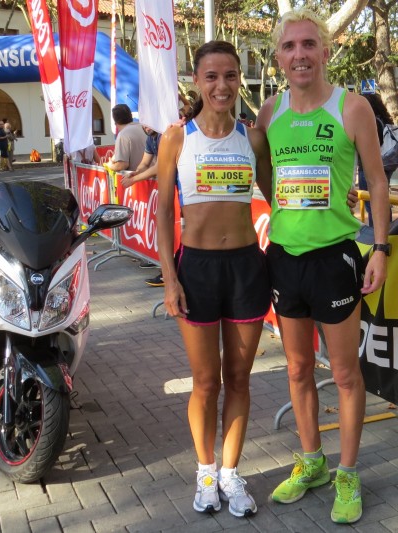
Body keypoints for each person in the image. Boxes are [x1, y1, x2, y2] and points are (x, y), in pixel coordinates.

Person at [255, 8, 390, 525]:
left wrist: (378, 248)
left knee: (346, 374)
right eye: (289, 47)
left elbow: (377, 183)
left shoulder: (351, 107)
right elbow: (268, 177)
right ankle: (312, 460)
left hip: (335, 257)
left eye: (309, 44)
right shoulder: (270, 112)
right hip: (285, 258)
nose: (299, 55)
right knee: (295, 368)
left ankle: (349, 472)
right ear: (279, 57)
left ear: (326, 51)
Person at [157, 40, 273, 518]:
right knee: (205, 382)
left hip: (246, 267)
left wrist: (336, 195)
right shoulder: (176, 138)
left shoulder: (254, 137)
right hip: (197, 270)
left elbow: (279, 193)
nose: (222, 85)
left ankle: (230, 473)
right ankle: (206, 472)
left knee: (239, 379)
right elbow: (163, 212)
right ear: (197, 82)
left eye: (230, 76)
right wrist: (169, 279)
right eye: (212, 77)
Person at [122, 126, 164, 287]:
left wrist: (135, 179)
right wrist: (135, 172)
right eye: (144, 123)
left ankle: (168, 273)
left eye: (149, 123)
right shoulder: (150, 138)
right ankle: (165, 269)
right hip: (167, 188)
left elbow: (160, 165)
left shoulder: (163, 135)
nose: (146, 126)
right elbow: (145, 163)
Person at [357, 93, 393, 226]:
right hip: (384, 165)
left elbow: (367, 147)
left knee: (372, 205)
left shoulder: (372, 123)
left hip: (369, 169)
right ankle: (386, 233)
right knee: (381, 201)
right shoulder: (382, 121)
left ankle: (377, 234)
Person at [106, 104, 146, 172]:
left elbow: (122, 165)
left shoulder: (123, 135)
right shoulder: (143, 128)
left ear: (115, 121)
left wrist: (109, 165)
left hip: (136, 179)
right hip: (154, 177)